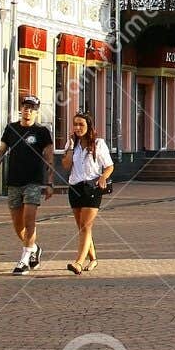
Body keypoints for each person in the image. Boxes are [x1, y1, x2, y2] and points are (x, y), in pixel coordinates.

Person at [0, 94, 55, 274]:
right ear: (20, 109)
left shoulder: (42, 132)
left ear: (36, 112)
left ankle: (23, 259)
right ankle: (34, 248)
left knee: (29, 219)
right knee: (18, 224)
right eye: (25, 107)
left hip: (33, 181)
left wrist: (50, 182)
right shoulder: (11, 129)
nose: (27, 111)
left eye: (32, 109)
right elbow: (0, 152)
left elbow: (49, 158)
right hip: (14, 180)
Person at [62, 111, 113, 273]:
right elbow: (66, 166)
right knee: (82, 227)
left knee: (85, 226)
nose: (77, 127)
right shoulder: (72, 144)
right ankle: (93, 259)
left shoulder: (98, 143)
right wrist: (70, 147)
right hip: (75, 188)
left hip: (92, 187)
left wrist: (103, 177)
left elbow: (109, 166)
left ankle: (78, 262)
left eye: (81, 124)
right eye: (75, 124)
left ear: (89, 126)